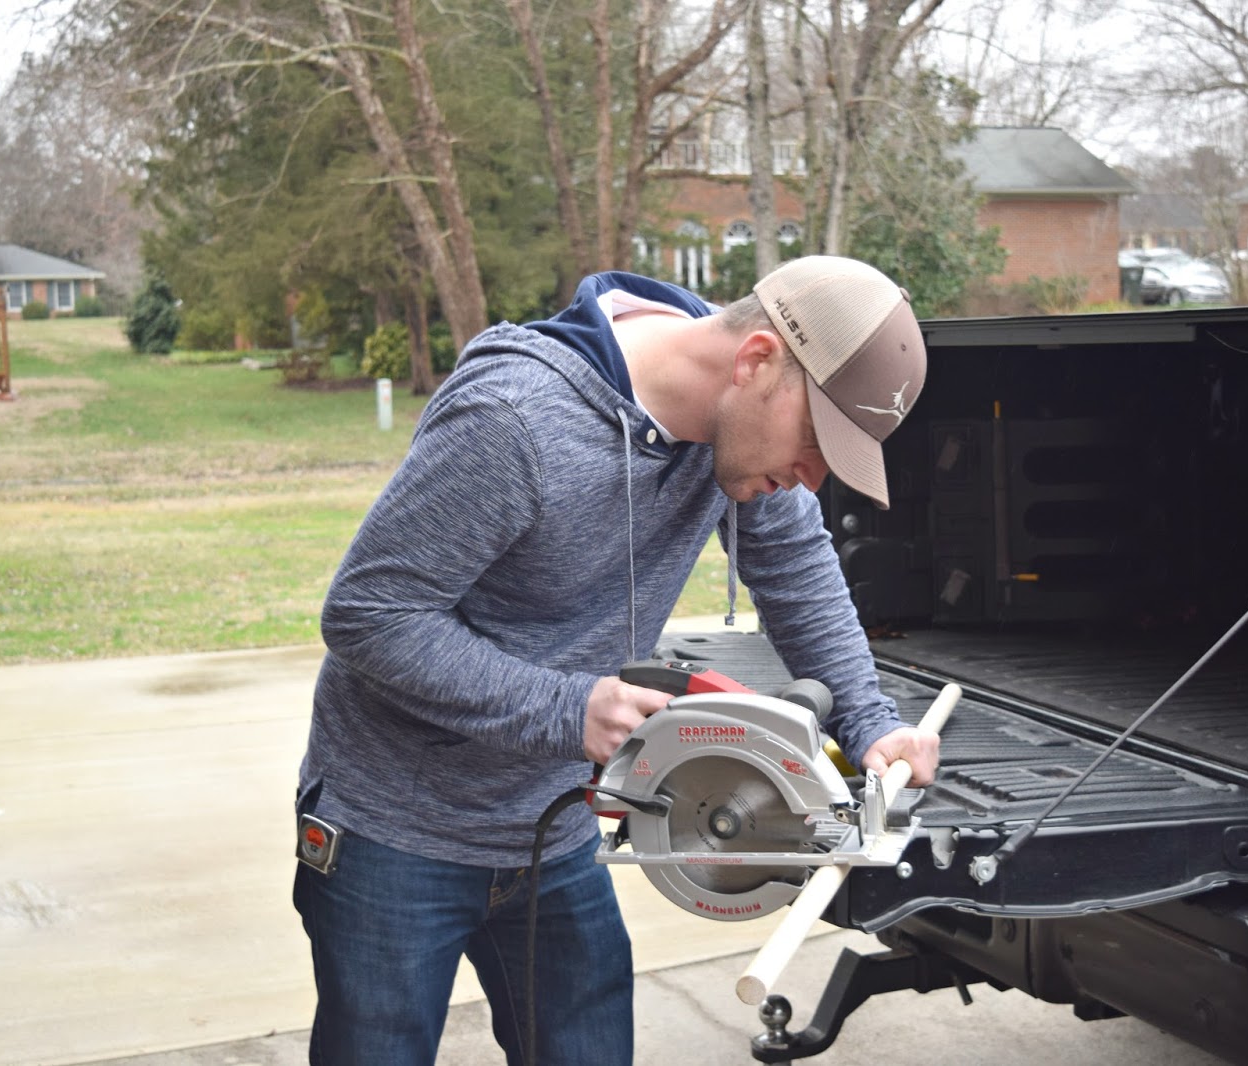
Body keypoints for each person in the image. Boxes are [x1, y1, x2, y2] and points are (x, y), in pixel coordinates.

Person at [292, 255, 942, 1065]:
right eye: (815, 439)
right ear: (756, 360)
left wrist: (873, 724)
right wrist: (568, 709)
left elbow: (803, 581)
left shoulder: (738, 424)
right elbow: (368, 615)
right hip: (395, 830)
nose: (812, 476)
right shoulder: (515, 419)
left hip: (551, 828)